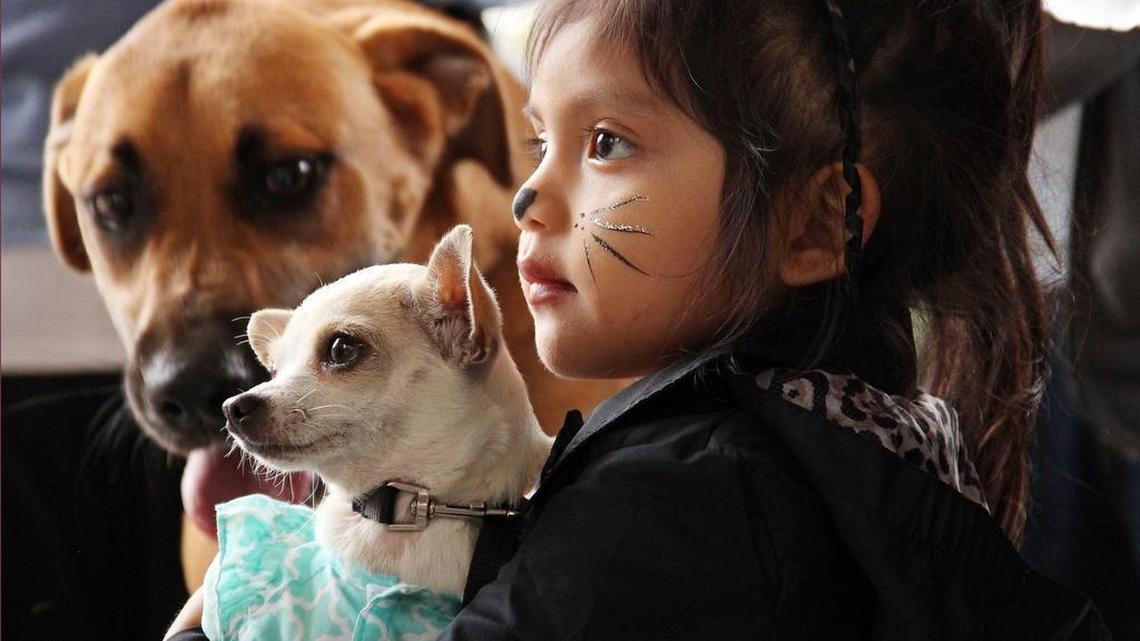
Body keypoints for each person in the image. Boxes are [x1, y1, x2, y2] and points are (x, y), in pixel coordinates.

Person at [169, 0, 1110, 638]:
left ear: (818, 224)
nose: (531, 191)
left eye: (606, 143)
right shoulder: (854, 435)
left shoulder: (672, 511)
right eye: (542, 140)